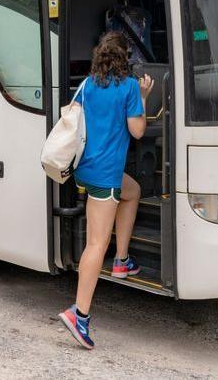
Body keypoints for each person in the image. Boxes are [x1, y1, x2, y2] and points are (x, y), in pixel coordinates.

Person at [59, 31, 153, 350]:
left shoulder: (87, 85)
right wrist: (143, 97)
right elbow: (137, 131)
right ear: (124, 58)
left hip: (85, 168)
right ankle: (79, 314)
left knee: (134, 191)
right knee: (96, 244)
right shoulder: (127, 87)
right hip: (106, 174)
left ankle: (123, 260)